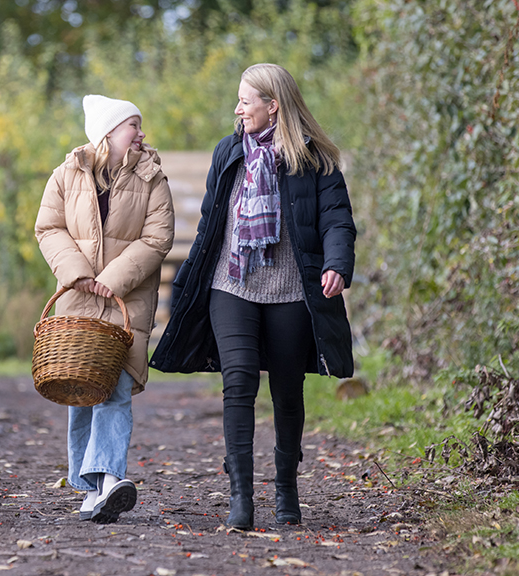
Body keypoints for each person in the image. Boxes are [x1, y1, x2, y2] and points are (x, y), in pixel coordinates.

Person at [150, 64, 356, 529]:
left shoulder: (315, 162)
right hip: (231, 283)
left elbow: (337, 221)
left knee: (286, 389)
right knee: (238, 379)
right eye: (239, 100)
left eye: (246, 101)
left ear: (273, 106)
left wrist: (337, 265)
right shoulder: (229, 152)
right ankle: (240, 496)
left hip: (288, 290)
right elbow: (210, 224)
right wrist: (189, 280)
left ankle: (286, 488)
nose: (238, 109)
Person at [35, 95, 174, 524]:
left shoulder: (153, 180)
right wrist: (78, 274)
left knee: (113, 392)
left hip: (125, 301)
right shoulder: (65, 176)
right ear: (108, 133)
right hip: (77, 299)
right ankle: (90, 488)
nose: (141, 133)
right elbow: (48, 227)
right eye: (133, 125)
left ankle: (110, 479)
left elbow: (157, 239)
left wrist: (110, 281)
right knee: (81, 390)